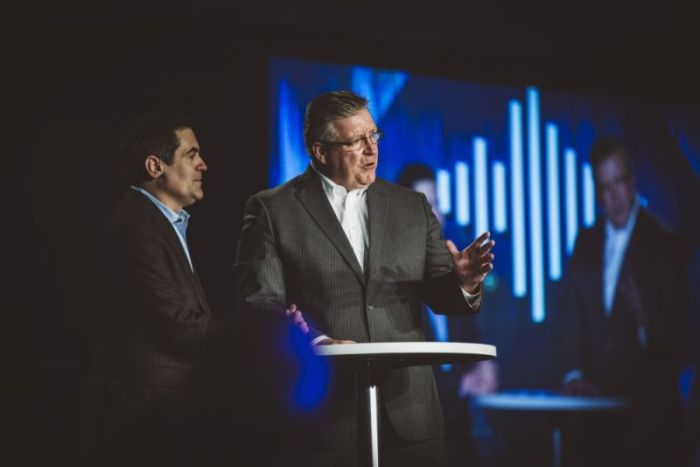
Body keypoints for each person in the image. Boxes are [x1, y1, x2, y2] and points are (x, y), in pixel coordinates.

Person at [234, 90, 495, 466]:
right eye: (355, 141)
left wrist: (465, 283)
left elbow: (443, 296)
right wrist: (315, 340)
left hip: (413, 420)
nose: (372, 150)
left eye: (374, 136)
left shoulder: (411, 206)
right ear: (320, 152)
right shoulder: (274, 210)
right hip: (325, 418)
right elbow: (259, 305)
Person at [86, 110, 220, 466]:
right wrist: (263, 338)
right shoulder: (134, 227)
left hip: (168, 411)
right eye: (191, 155)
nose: (203, 165)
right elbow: (176, 323)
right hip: (146, 414)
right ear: (154, 166)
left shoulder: (160, 222)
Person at [560, 136, 690, 467]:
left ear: (633, 180)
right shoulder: (585, 242)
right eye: (604, 187)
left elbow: (681, 339)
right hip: (595, 427)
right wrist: (574, 374)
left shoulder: (665, 245)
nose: (614, 196)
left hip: (649, 428)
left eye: (619, 182)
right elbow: (572, 316)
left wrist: (646, 319)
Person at [397, 163, 499, 466]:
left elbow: (471, 340)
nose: (437, 215)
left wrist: (485, 369)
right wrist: (461, 384)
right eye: (427, 205)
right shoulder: (392, 280)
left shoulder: (453, 270)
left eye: (438, 204)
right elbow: (400, 370)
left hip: (458, 439)